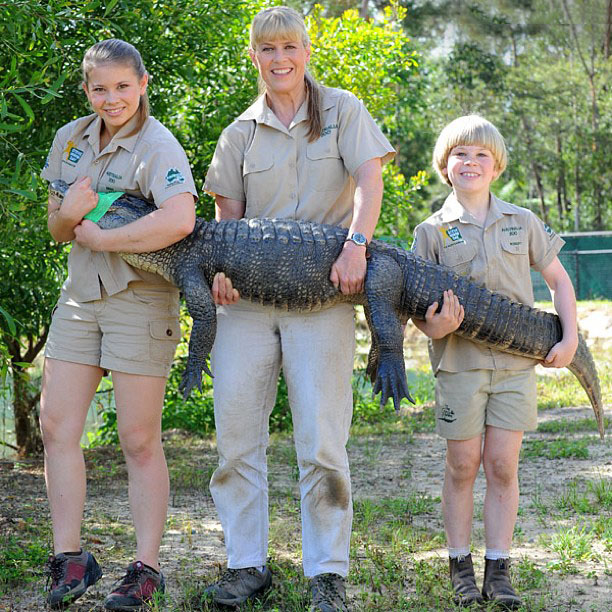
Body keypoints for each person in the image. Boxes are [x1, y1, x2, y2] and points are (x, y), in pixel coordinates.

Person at [202, 6, 395, 611]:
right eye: (266, 49)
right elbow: (223, 221)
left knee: (320, 441)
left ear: (306, 51)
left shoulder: (343, 109)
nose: (279, 59)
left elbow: (370, 180)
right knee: (236, 439)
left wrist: (358, 246)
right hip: (249, 304)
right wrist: (220, 274)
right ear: (254, 57)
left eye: (288, 46)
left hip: (324, 296)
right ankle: (245, 565)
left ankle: (328, 574)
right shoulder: (239, 132)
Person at [40, 39, 197, 610]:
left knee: (137, 439)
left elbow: (181, 219)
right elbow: (58, 229)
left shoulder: (157, 145)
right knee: (57, 427)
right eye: (100, 88)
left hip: (140, 300)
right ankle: (71, 559)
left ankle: (146, 568)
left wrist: (105, 235)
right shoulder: (71, 140)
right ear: (87, 90)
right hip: (81, 295)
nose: (112, 98)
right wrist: (71, 214)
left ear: (143, 85)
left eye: (123, 87)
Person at [410, 114, 577, 608]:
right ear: (446, 165)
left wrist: (568, 338)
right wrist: (432, 327)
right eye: (461, 154)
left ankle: (498, 568)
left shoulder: (521, 222)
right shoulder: (431, 231)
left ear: (496, 165)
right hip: (458, 365)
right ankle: (460, 564)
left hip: (515, 368)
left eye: (482, 154)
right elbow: (417, 308)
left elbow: (560, 281)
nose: (471, 162)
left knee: (502, 465)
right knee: (462, 464)